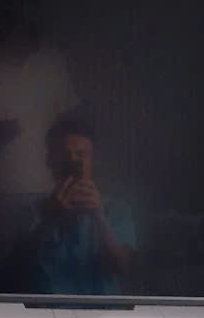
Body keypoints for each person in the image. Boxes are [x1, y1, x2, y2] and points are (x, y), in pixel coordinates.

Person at [0, 1, 78, 273]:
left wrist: (69, 182)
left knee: (44, 274)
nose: (16, 14)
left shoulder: (53, 62)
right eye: (7, 2)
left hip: (46, 193)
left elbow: (72, 126)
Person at [18, 115, 136, 296]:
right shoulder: (32, 210)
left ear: (92, 161)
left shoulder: (117, 209)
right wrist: (50, 220)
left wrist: (100, 218)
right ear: (50, 161)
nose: (72, 162)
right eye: (64, 156)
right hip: (48, 311)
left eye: (81, 155)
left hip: (102, 311)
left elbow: (122, 269)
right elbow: (18, 270)